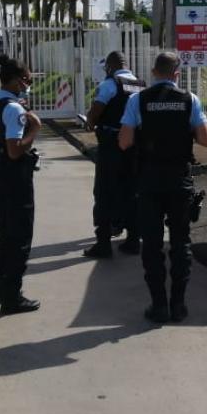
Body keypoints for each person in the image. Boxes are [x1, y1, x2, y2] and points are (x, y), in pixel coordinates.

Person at [119, 52, 207, 324]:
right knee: (181, 242)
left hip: (148, 179)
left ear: (153, 71)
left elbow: (124, 142)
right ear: (177, 73)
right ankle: (179, 305)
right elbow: (206, 140)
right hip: (179, 179)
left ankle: (159, 305)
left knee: (151, 244)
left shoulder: (138, 100)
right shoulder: (189, 99)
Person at [0, 55, 42, 315]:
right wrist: (34, 130)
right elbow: (15, 150)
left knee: (5, 232)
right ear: (16, 81)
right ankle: (12, 297)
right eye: (27, 79)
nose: (28, 84)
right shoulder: (14, 108)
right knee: (20, 236)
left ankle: (1, 289)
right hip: (14, 174)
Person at [83, 51, 146, 259]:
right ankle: (133, 240)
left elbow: (95, 112)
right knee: (132, 191)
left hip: (111, 147)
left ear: (109, 67)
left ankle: (103, 244)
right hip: (135, 147)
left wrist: (90, 122)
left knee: (104, 193)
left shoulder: (109, 85)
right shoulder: (141, 85)